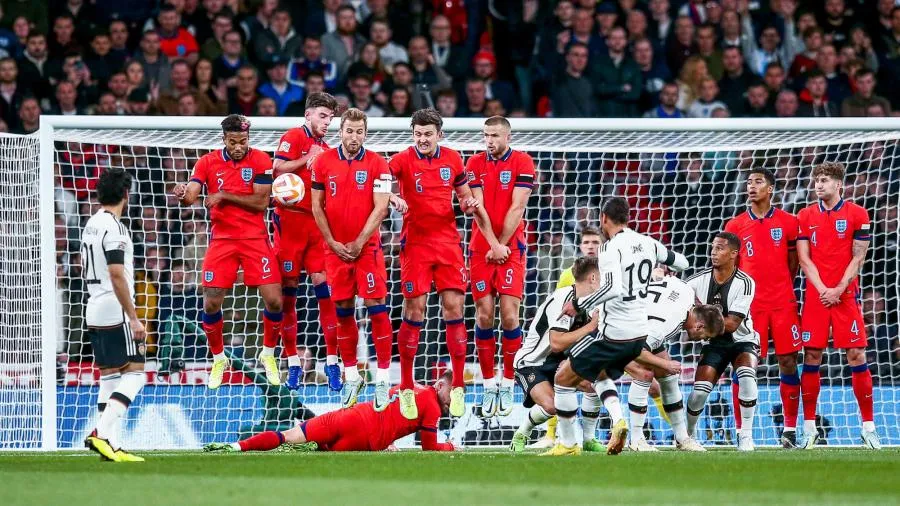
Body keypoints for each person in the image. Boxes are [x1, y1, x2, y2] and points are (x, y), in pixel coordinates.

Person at [546, 197, 689, 456]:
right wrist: (663, 274)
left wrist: (578, 305)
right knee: (598, 374)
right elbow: (683, 263)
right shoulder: (649, 243)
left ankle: (568, 443)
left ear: (603, 218)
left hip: (614, 333)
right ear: (628, 218)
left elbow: (613, 288)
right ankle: (621, 424)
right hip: (640, 333)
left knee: (562, 378)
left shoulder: (610, 248)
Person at [389, 108, 503, 420]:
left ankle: (457, 388)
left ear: (440, 135)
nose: (422, 139)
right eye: (418, 134)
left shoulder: (454, 159)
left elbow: (465, 197)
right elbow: (380, 181)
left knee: (454, 310)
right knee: (414, 312)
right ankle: (407, 387)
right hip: (415, 246)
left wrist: (469, 204)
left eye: (428, 134)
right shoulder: (401, 160)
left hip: (448, 245)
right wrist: (391, 198)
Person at [172, 115, 283, 389]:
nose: (238, 147)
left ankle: (268, 354)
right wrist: (182, 192)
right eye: (233, 142)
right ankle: (218, 357)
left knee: (275, 301)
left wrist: (223, 195)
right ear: (223, 139)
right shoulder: (207, 162)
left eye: (243, 142)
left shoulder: (260, 160)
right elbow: (192, 194)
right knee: (211, 302)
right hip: (222, 240)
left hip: (255, 238)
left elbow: (260, 202)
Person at [310, 108, 394, 410]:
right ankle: (351, 374)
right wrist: (332, 242)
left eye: (359, 131)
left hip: (366, 250)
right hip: (334, 251)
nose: (354, 136)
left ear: (365, 133)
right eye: (349, 131)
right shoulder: (323, 162)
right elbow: (316, 206)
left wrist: (359, 241)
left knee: (376, 308)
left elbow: (381, 208)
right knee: (342, 310)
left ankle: (383, 379)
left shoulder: (379, 164)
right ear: (340, 131)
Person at [796, 162, 881, 450]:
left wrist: (839, 289)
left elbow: (858, 257)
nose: (818, 185)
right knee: (812, 356)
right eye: (816, 180)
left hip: (846, 297)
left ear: (838, 184)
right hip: (817, 298)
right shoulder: (805, 215)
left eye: (824, 180)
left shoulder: (858, 214)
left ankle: (868, 428)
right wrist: (823, 290)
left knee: (856, 355)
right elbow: (804, 260)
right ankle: (809, 429)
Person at [724, 168, 802, 448]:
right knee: (744, 366)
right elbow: (728, 270)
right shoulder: (735, 226)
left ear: (771, 189)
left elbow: (794, 264)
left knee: (788, 362)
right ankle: (742, 431)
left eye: (758, 182)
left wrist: (781, 287)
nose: (751, 186)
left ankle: (790, 430)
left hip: (782, 303)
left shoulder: (789, 222)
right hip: (749, 307)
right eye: (748, 182)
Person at [466, 116, 535, 418]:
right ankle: (488, 382)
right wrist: (493, 244)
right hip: (482, 249)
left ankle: (508, 381)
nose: (489, 140)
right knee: (483, 315)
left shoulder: (522, 162)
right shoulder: (474, 163)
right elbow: (477, 206)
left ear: (507, 136)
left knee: (509, 315)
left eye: (494, 135)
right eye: (485, 135)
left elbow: (518, 207)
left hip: (512, 248)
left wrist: (503, 243)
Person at [204, 372, 456, 453]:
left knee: (288, 436)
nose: (452, 400)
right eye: (453, 392)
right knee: (320, 453)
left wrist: (388, 436)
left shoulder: (410, 386)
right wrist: (451, 447)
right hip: (365, 439)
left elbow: (389, 404)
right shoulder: (432, 406)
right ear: (440, 384)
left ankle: (236, 447)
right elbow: (429, 447)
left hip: (352, 415)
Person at [272, 92, 340, 391]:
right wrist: (306, 158)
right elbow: (276, 169)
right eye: (323, 116)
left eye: (330, 118)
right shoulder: (294, 137)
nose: (327, 123)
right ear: (309, 114)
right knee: (289, 295)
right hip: (289, 224)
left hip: (316, 226)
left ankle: (333, 361)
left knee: (325, 293)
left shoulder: (326, 149)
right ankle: (292, 362)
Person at [508, 257, 611, 453]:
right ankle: (522, 431)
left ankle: (589, 439)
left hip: (557, 361)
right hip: (531, 362)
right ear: (592, 277)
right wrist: (591, 327)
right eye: (603, 277)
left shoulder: (590, 305)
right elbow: (556, 343)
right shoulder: (563, 299)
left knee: (593, 382)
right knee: (552, 406)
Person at [81, 167, 146, 463]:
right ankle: (102, 433)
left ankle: (112, 448)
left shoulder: (91, 223)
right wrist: (133, 317)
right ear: (125, 195)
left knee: (109, 376)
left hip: (93, 307)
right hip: (114, 308)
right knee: (135, 374)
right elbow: (117, 273)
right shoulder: (115, 228)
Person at [625, 275, 722, 452]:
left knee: (667, 374)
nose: (703, 340)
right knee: (645, 372)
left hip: (640, 322)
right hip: (616, 328)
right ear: (699, 326)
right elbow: (635, 351)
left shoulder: (686, 292)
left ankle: (682, 438)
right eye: (706, 336)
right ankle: (637, 439)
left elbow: (672, 279)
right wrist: (666, 365)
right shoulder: (667, 324)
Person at [685, 232, 760, 452]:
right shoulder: (697, 280)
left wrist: (700, 327)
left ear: (733, 254)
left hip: (742, 340)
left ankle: (745, 435)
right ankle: (686, 435)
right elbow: (679, 300)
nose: (714, 252)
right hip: (714, 344)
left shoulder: (745, 283)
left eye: (719, 249)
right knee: (699, 392)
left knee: (747, 376)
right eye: (713, 248)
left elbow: (733, 323)